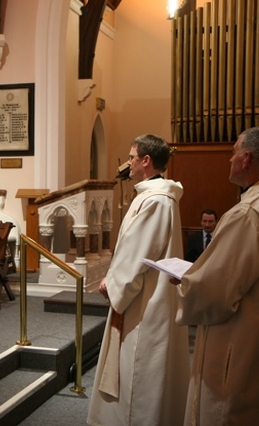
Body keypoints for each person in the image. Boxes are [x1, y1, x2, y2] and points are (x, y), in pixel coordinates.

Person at [172, 126, 259, 424]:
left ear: (247, 159)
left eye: (234, 151)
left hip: (244, 349)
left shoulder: (248, 213)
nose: (230, 159)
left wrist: (187, 282)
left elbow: (215, 291)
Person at [87, 134, 189, 425]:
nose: (127, 163)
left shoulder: (156, 200)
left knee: (138, 365)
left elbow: (138, 252)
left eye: (132, 157)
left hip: (144, 298)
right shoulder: (154, 196)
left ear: (146, 161)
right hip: (145, 292)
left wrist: (114, 284)